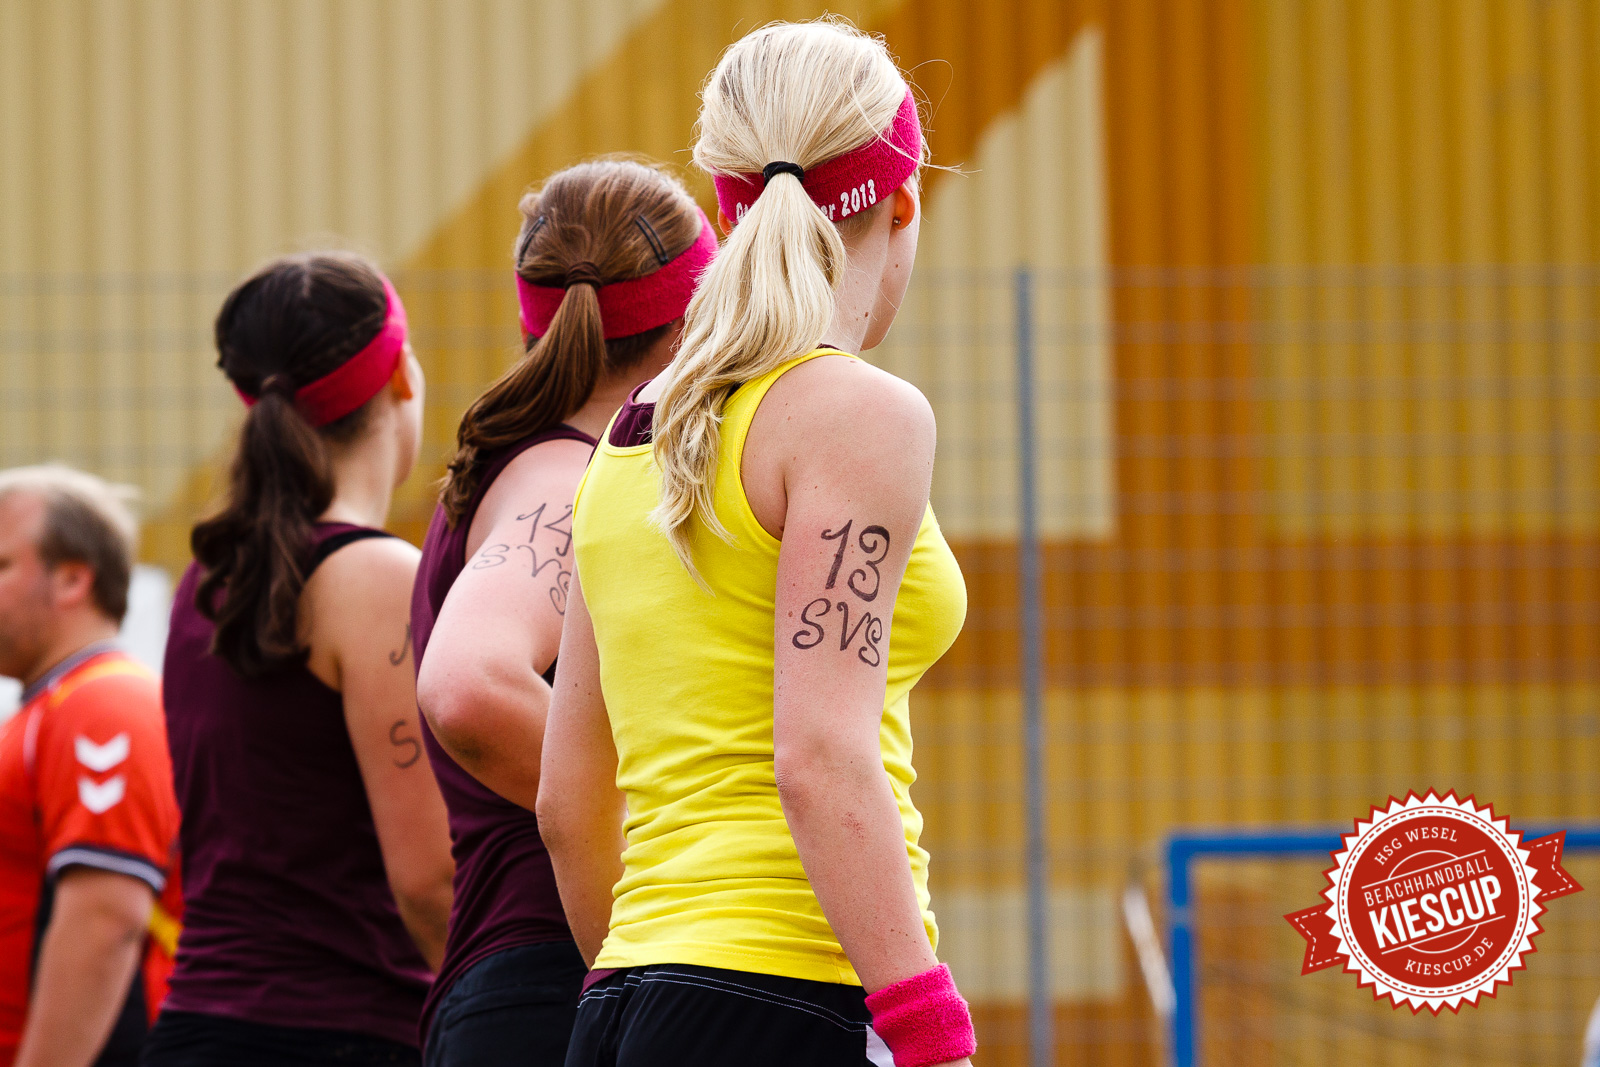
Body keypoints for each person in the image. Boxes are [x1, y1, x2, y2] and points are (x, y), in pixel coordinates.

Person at [537, 20, 977, 1067]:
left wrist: (652, 984)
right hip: (792, 986)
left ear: (727, 204)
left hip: (626, 997)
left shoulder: (637, 430)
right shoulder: (858, 413)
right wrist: (928, 1027)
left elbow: (567, 800)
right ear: (902, 201)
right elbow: (821, 755)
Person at [411, 158, 714, 1067]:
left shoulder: (558, 469)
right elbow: (469, 683)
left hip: (536, 983)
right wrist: (674, 817)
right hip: (558, 984)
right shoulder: (563, 480)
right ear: (694, 319)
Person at [144, 254, 454, 1067]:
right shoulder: (378, 580)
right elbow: (431, 883)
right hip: (343, 1031)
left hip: (197, 1026)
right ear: (399, 378)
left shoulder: (206, 577)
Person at [0, 466, 181, 1067]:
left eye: (1, 565)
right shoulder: (47, 711)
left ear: (74, 578)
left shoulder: (102, 703)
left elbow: (105, 918)